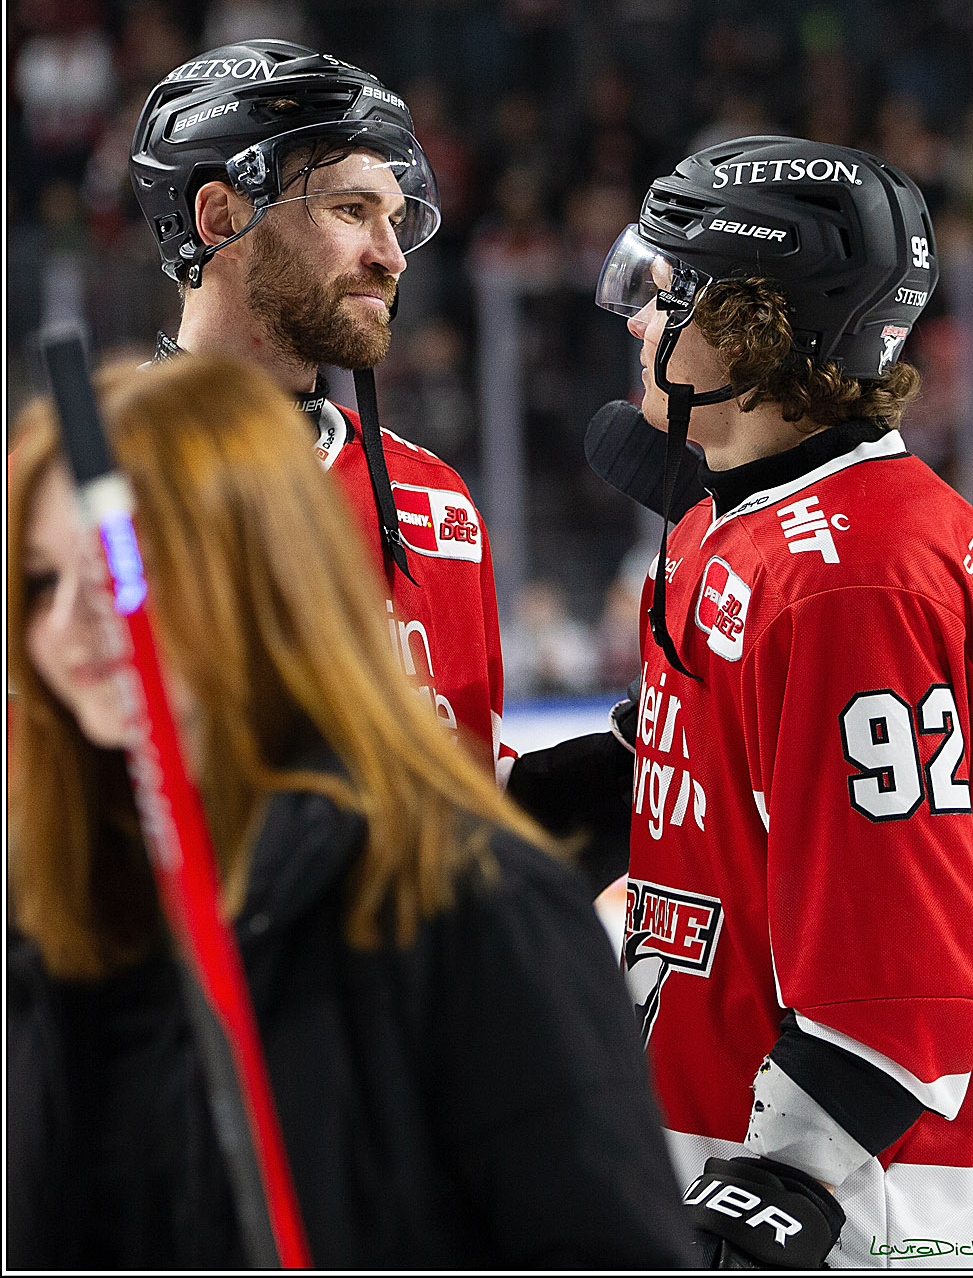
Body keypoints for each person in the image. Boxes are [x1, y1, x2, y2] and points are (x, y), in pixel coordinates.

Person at [6, 351, 695, 1271]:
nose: (68, 626)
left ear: (261, 566)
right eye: (43, 581)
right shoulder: (47, 906)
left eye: (117, 567)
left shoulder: (475, 907)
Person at [584, 136, 973, 1268]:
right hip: (717, 1138)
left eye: (664, 291)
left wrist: (776, 1189)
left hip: (864, 1202)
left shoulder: (850, 580)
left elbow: (905, 977)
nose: (633, 319)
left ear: (754, 327)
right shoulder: (734, 516)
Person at [129, 40, 509, 775]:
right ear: (218, 218)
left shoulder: (435, 501)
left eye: (394, 218)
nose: (391, 255)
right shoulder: (90, 495)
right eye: (349, 210)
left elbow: (476, 802)